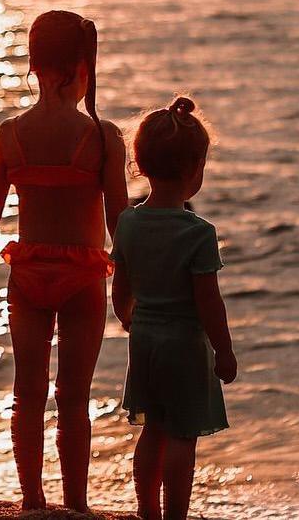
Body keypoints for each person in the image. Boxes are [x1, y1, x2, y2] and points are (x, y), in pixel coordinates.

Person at [0, 10, 128, 511]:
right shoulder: (102, 137)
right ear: (83, 69)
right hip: (81, 278)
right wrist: (134, 277)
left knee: (28, 394)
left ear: (35, 67)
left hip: (29, 275)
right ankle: (76, 504)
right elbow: (119, 218)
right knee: (74, 399)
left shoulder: (12, 134)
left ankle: (32, 500)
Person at [111, 96, 235, 520]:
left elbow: (121, 287)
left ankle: (146, 511)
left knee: (153, 430)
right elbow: (209, 302)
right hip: (185, 345)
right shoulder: (198, 233)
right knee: (183, 435)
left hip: (144, 339)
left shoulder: (127, 222)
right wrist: (226, 350)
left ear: (140, 164)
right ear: (194, 170)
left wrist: (127, 315)